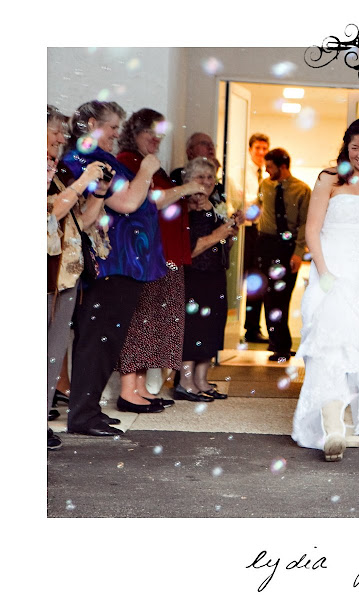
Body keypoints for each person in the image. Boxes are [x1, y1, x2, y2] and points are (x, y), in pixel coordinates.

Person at [60, 100, 164, 436]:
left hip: (124, 263)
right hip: (109, 263)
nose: (117, 135)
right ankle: (83, 416)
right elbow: (128, 202)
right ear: (92, 124)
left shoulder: (99, 159)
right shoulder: (82, 159)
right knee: (97, 338)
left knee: (107, 339)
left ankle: (89, 410)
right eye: (113, 128)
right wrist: (147, 170)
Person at [292, 119, 359, 461]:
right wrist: (323, 272)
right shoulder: (329, 178)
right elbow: (312, 230)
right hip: (331, 268)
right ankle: (331, 421)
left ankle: (348, 419)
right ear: (345, 146)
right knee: (329, 342)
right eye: (355, 147)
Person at [115, 108, 207, 411]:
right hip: (151, 255)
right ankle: (128, 390)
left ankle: (140, 387)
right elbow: (150, 201)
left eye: (160, 134)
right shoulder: (130, 161)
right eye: (150, 133)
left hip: (166, 253)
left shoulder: (148, 164)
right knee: (142, 321)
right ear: (135, 132)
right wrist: (187, 188)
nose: (156, 139)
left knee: (155, 321)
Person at [46, 104, 114, 448]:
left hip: (66, 275)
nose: (61, 138)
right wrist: (83, 180)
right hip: (44, 274)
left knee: (53, 351)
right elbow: (47, 214)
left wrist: (99, 192)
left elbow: (80, 222)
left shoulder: (56, 174)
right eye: (55, 132)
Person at [179, 157, 243, 401]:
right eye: (200, 177)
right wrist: (219, 233)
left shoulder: (214, 208)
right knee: (194, 328)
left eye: (210, 177)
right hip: (195, 277)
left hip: (215, 275)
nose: (206, 182)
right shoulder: (185, 211)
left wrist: (230, 232)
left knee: (212, 327)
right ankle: (185, 381)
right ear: (188, 182)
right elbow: (190, 250)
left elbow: (222, 243)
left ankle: (202, 380)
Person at [246, 148, 311, 360]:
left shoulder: (302, 190)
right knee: (268, 295)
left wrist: (298, 253)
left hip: (287, 246)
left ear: (283, 166)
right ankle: (278, 345)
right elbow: (259, 207)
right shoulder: (265, 185)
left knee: (282, 296)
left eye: (270, 167)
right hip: (265, 244)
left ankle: (282, 345)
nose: (266, 170)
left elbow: (304, 223)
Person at [243, 133, 271, 342]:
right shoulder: (242, 173)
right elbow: (245, 202)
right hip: (247, 231)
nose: (261, 153)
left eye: (264, 149)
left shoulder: (268, 175)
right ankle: (247, 327)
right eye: (258, 148)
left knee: (258, 280)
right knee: (247, 279)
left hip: (262, 232)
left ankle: (252, 327)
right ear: (250, 149)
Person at [170, 132, 226, 209]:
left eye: (212, 145)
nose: (210, 148)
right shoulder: (178, 175)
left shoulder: (219, 187)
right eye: (204, 143)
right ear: (190, 152)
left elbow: (219, 215)